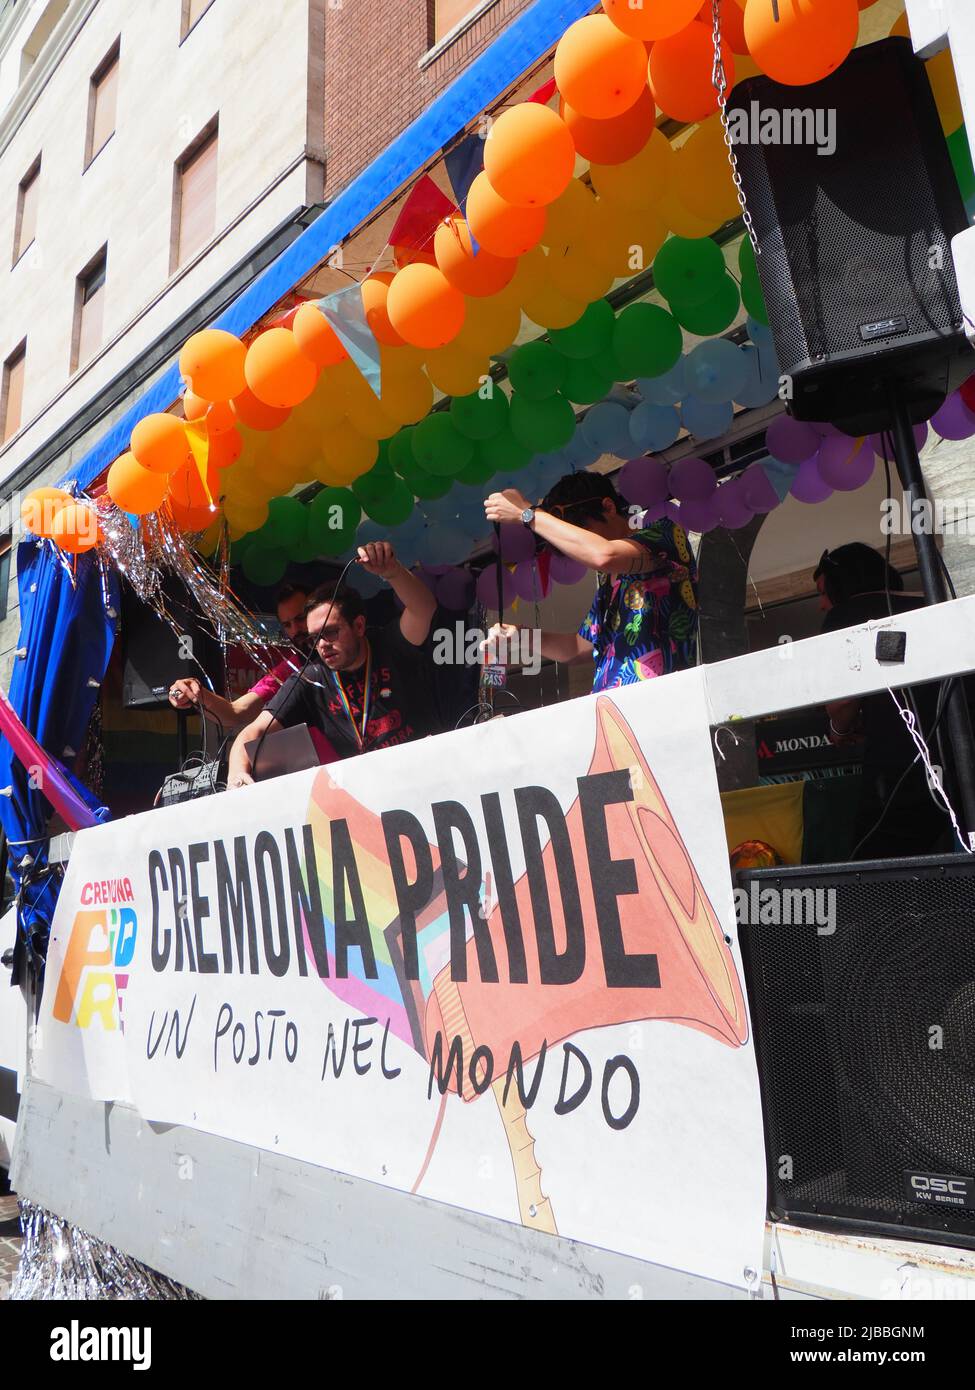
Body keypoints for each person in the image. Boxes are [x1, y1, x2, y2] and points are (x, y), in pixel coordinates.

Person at [227, 542, 438, 786]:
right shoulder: (310, 679)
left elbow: (424, 609)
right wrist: (236, 774)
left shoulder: (389, 644)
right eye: (315, 637)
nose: (323, 644)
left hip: (426, 777)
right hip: (369, 793)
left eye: (331, 632)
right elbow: (252, 733)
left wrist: (392, 571)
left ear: (359, 626)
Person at [481, 472, 698, 689]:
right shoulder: (607, 580)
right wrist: (521, 635)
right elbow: (576, 648)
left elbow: (603, 555)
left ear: (608, 507)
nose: (578, 547)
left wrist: (528, 515)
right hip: (612, 711)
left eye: (581, 531)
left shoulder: (665, 533)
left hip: (664, 700)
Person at [815, 543, 955, 858]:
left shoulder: (847, 615)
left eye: (823, 593)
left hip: (902, 765)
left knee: (876, 868)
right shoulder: (933, 600)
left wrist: (838, 730)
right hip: (960, 754)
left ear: (843, 586)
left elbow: (842, 701)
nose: (821, 605)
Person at [168, 583, 315, 729]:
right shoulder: (293, 666)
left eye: (300, 618)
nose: (295, 630)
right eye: (287, 625)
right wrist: (196, 692)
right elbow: (237, 712)